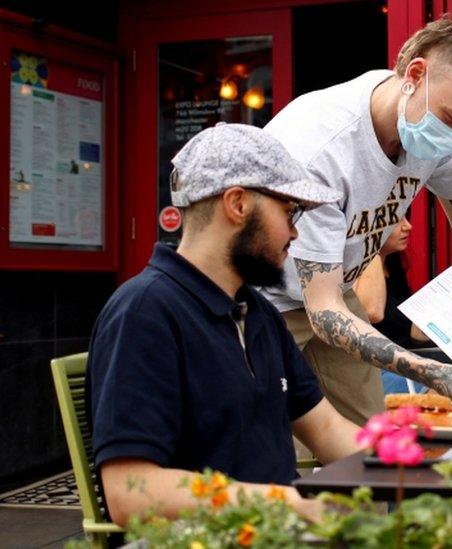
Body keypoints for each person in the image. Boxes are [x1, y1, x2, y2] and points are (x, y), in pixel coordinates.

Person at [259, 15, 452, 424]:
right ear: (415, 74)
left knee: (370, 434)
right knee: (259, 437)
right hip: (264, 301)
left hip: (334, 292)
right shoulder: (323, 147)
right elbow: (323, 309)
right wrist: (433, 372)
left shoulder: (436, 126)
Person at [87, 124, 360, 526]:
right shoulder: (145, 312)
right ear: (238, 205)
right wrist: (287, 504)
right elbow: (130, 493)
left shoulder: (257, 312)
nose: (295, 231)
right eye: (289, 211)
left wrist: (420, 460)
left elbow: (326, 428)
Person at [352, 216, 435, 393]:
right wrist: (372, 243)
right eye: (397, 220)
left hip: (408, 362)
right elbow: (372, 312)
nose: (408, 226)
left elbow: (410, 333)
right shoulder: (361, 266)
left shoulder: (392, 265)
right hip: (381, 371)